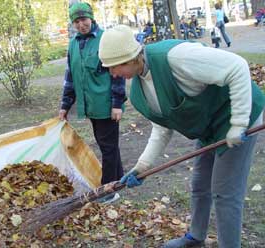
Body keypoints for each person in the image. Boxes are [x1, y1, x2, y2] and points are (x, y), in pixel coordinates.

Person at [98, 25, 265, 247]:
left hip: (238, 114)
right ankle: (196, 237)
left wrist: (239, 123)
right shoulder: (139, 90)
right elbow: (162, 128)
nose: (112, 73)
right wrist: (142, 166)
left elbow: (237, 67)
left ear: (130, 58)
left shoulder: (176, 57)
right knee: (199, 184)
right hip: (209, 127)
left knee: (225, 193)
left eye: (114, 66)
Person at [59, 2, 125, 202]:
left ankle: (108, 191)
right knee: (109, 145)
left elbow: (118, 72)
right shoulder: (73, 44)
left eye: (84, 20)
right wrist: (65, 106)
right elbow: (70, 77)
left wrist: (117, 103)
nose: (81, 25)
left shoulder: (105, 39)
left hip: (106, 105)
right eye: (76, 21)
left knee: (107, 147)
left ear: (91, 18)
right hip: (90, 106)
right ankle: (120, 178)